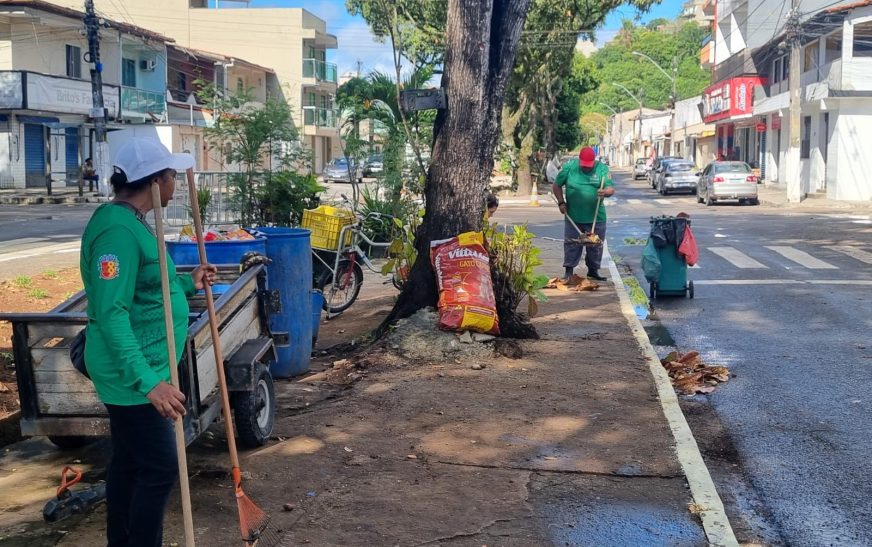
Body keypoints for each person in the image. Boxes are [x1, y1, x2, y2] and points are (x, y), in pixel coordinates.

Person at [80, 137, 217, 546]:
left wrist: (184, 283)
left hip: (147, 366)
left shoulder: (132, 221)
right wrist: (148, 382)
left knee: (129, 463)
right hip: (132, 376)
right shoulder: (115, 234)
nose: (176, 184)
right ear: (155, 182)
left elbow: (148, 287)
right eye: (172, 176)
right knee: (159, 466)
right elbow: (111, 312)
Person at [552, 146, 615, 282]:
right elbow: (556, 185)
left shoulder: (602, 169)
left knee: (596, 245)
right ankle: (569, 271)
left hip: (595, 217)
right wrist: (561, 203)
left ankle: (593, 271)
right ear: (579, 160)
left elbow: (610, 188)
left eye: (589, 165)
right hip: (573, 216)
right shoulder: (570, 167)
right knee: (571, 244)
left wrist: (605, 192)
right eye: (584, 165)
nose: (586, 168)